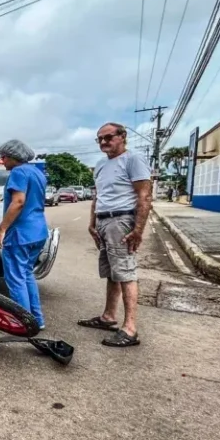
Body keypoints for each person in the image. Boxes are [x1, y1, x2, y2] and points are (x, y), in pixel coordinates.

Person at [78, 122, 152, 348]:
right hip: (103, 221)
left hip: (121, 220)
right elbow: (98, 196)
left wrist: (138, 230)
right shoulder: (100, 165)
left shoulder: (133, 160)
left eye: (108, 137)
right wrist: (92, 224)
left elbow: (145, 197)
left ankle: (130, 329)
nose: (103, 142)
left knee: (126, 272)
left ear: (122, 136)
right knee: (112, 272)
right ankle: (108, 316)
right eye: (99, 139)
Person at [0, 140, 49, 330]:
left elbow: (18, 202)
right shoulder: (37, 173)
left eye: (4, 157)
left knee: (15, 279)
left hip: (21, 234)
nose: (2, 161)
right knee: (26, 275)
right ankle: (36, 321)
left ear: (12, 156)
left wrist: (1, 230)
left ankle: (22, 323)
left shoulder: (18, 172)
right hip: (38, 231)